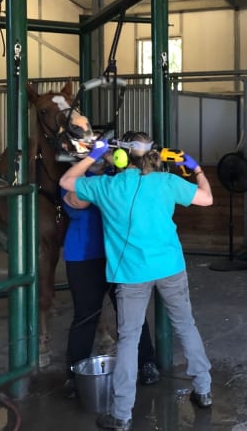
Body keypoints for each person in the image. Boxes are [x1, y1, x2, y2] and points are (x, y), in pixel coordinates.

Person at [59, 131, 214, 431]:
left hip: (130, 275)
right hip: (170, 269)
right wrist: (197, 169)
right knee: (186, 326)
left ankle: (121, 415)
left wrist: (93, 155)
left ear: (119, 157)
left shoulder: (107, 186)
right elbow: (206, 198)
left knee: (128, 341)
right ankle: (204, 390)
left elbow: (67, 183)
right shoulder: (166, 182)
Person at [61, 157, 160, 400]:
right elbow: (79, 202)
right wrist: (93, 162)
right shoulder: (73, 178)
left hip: (118, 253)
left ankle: (146, 361)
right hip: (84, 256)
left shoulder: (118, 175)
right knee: (85, 316)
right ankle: (75, 373)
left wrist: (115, 167)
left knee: (131, 311)